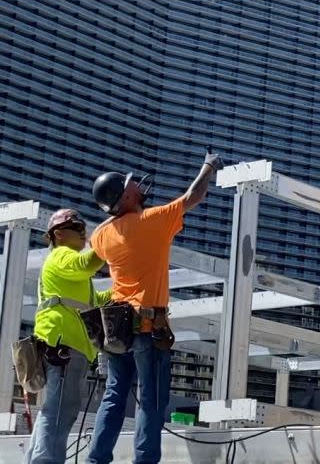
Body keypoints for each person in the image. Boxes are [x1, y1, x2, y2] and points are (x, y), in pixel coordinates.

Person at [86, 151, 223, 464]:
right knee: (150, 400)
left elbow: (106, 223)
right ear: (125, 197)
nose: (140, 188)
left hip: (118, 329)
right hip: (148, 328)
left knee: (114, 395)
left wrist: (119, 206)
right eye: (132, 187)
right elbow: (193, 196)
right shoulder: (152, 221)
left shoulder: (103, 235)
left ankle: (96, 459)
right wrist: (209, 166)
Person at [25, 209, 111, 464]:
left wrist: (120, 291)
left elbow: (94, 302)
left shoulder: (68, 272)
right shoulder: (62, 255)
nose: (84, 232)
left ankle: (37, 460)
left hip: (63, 343)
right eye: (77, 228)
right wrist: (108, 240)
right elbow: (87, 264)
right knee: (61, 409)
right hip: (65, 343)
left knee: (54, 408)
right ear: (58, 234)